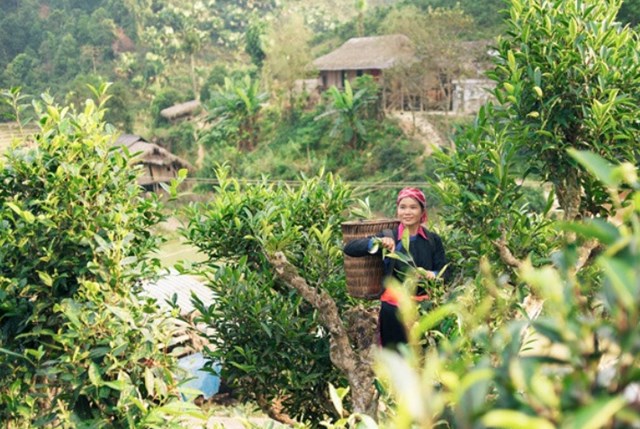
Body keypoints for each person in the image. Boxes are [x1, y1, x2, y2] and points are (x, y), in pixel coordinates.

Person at [343, 187, 449, 349]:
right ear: (397, 210)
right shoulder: (389, 236)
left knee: (425, 359)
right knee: (395, 359)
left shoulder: (432, 240)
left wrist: (431, 275)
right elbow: (350, 248)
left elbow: (444, 271)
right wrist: (375, 243)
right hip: (393, 308)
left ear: (422, 211)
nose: (407, 212)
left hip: (424, 308)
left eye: (413, 207)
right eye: (403, 207)